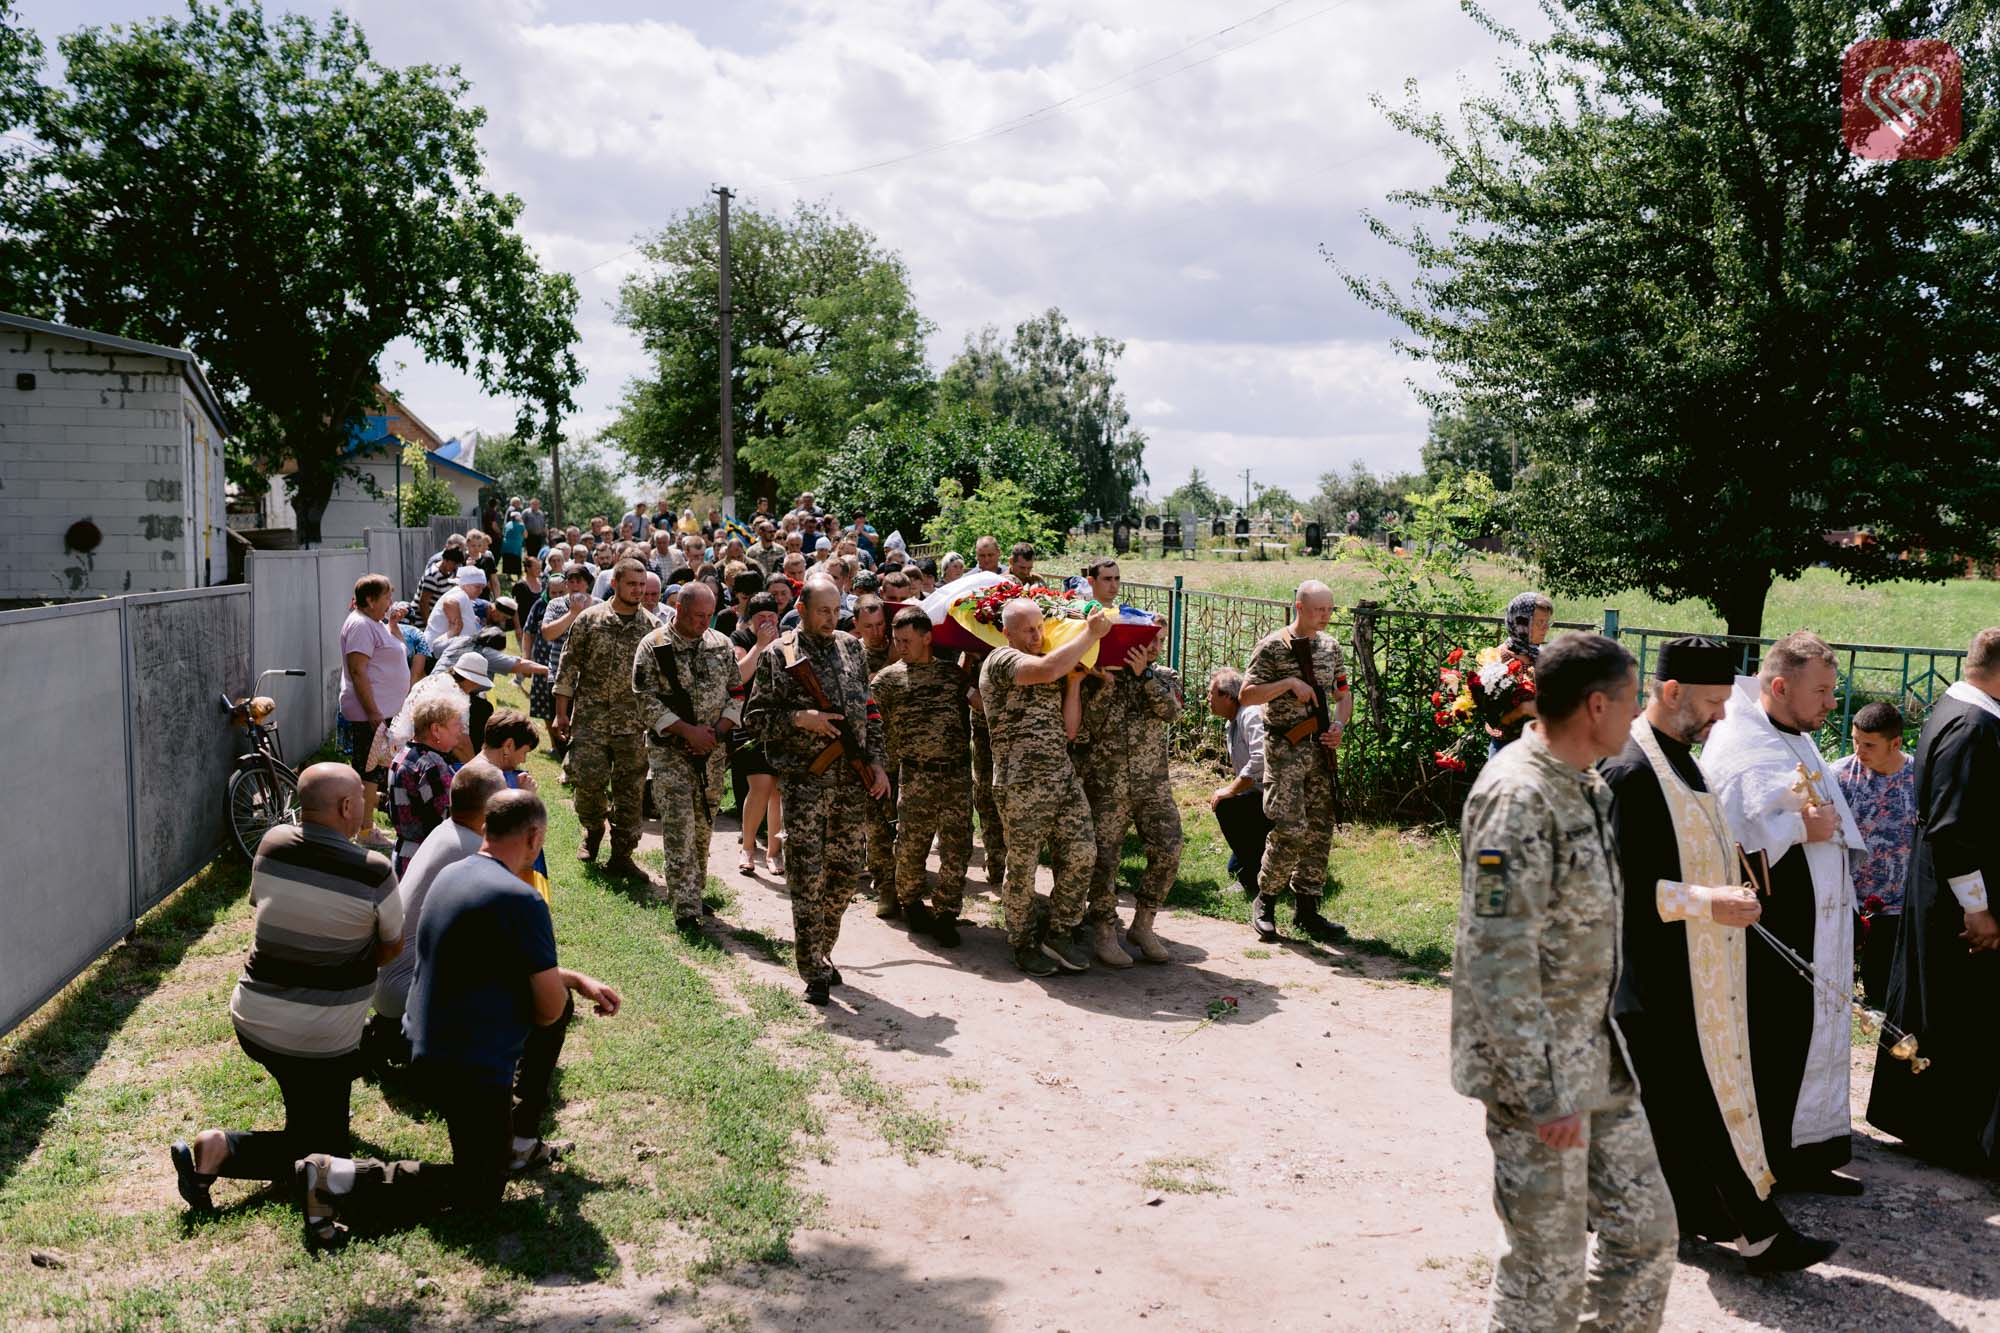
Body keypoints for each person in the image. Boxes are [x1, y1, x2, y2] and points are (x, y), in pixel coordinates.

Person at [1450, 633, 1676, 1332]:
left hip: (1595, 1056)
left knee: (1646, 1234)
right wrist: (1541, 1091)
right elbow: (1494, 957)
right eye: (1633, 699)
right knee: (1544, 1275)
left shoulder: (1585, 783)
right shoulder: (1518, 797)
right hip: (1536, 1076)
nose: (1638, 714)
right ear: (1597, 705)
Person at [1601, 636, 1837, 1272]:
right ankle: (1758, 1230)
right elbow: (1613, 884)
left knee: (1673, 1105)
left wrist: (1737, 885)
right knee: (1698, 1099)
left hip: (1696, 965)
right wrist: (1707, 902)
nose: (1722, 715)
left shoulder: (1684, 757)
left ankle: (1672, 1212)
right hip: (1649, 974)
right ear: (1671, 693)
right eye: (1710, 702)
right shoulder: (1628, 768)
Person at [294, 792, 622, 1239]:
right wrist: (558, 990)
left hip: (420, 1047)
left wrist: (573, 977)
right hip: (467, 1070)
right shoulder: (521, 900)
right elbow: (547, 1010)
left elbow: (484, 963)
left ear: (486, 827)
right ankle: (337, 1179)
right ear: (534, 836)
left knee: (556, 994)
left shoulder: (451, 874)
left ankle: (517, 1141)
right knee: (481, 1188)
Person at [168, 765, 402, 1218]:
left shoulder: (272, 844)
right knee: (326, 1155)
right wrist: (348, 960)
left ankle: (252, 1139)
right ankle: (220, 1149)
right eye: (362, 799)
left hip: (254, 1020)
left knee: (310, 1108)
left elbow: (265, 907)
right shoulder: (374, 871)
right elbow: (392, 946)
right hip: (320, 1040)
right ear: (347, 807)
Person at [1701, 632, 1863, 1193]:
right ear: (1778, 686)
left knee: (1811, 1031)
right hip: (1774, 922)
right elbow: (1724, 834)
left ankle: (1808, 1153)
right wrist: (1798, 827)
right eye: (1820, 691)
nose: (1829, 703)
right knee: (1774, 1036)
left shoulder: (1795, 735)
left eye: (1831, 690)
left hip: (1819, 915)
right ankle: (1765, 1161)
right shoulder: (1737, 741)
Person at [1866, 628, 2000, 1172]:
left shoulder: (1955, 707)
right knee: (1957, 1009)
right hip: (1957, 895)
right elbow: (1953, 827)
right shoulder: (1973, 726)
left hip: (1935, 885)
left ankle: (1922, 1123)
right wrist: (1978, 906)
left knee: (1933, 1002)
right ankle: (1950, 1136)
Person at [744, 575, 890, 1005]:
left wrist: (877, 763)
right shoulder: (779, 654)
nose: (830, 618)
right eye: (821, 611)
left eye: (834, 610)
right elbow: (755, 718)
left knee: (844, 876)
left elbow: (870, 711)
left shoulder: (851, 649)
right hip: (807, 781)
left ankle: (823, 950)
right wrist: (799, 718)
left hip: (851, 781)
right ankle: (813, 970)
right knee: (808, 877)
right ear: (803, 610)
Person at [982, 597, 1113, 976]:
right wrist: (1089, 633)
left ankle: (1060, 932)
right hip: (1021, 783)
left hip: (1061, 776)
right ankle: (1022, 942)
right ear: (1007, 633)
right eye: (1028, 629)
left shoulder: (1053, 664)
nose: (1038, 635)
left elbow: (1070, 730)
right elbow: (1043, 670)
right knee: (1022, 868)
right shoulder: (1002, 661)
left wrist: (1073, 684)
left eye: (1040, 627)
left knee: (1083, 853)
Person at [364, 762, 507, 1072]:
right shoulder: (473, 852)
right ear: (491, 810)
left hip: (385, 986)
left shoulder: (446, 831)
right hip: (405, 992)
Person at [1239, 580, 1352, 943]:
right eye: (1320, 610)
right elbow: (1247, 695)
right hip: (1285, 748)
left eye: (1330, 610)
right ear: (1300, 607)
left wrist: (1339, 725)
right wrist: (1287, 682)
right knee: (1290, 826)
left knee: (1320, 828)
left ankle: (1307, 908)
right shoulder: (1272, 647)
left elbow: (1343, 695)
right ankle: (1266, 900)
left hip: (1320, 749)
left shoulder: (1331, 647)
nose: (1326, 616)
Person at [634, 581, 741, 928]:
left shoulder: (721, 645)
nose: (704, 623)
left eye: (709, 615)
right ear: (678, 609)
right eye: (698, 616)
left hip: (712, 752)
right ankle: (685, 908)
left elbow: (736, 692)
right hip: (671, 753)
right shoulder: (654, 647)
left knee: (703, 825)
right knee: (679, 825)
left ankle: (695, 891)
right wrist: (687, 731)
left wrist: (718, 732)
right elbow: (644, 698)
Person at [870, 607, 973, 947]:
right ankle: (911, 902)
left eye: (908, 640)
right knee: (912, 846)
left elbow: (977, 707)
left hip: (956, 774)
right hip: (915, 774)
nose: (901, 646)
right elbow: (871, 723)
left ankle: (946, 913)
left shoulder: (952, 676)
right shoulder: (887, 680)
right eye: (897, 640)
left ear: (928, 637)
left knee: (957, 847)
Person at [1077, 632, 1183, 966]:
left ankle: (1143, 923)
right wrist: (1107, 683)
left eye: (1159, 641)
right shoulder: (1102, 675)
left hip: (1153, 786)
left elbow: (1172, 712)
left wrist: (1146, 676)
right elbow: (1088, 725)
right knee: (1105, 861)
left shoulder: (1165, 676)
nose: (1153, 647)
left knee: (1169, 848)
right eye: (1147, 641)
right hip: (1108, 787)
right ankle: (1105, 931)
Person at [552, 558, 661, 878]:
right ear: (615, 584)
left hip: (633, 726)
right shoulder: (589, 620)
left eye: (642, 586)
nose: (638, 591)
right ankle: (593, 828)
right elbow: (568, 668)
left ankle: (622, 854)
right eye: (632, 584)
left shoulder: (652, 628)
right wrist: (561, 714)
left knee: (631, 792)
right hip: (590, 720)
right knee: (586, 783)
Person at [1833, 701, 1917, 1006]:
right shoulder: (1839, 776)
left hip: (1897, 909)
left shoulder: (1919, 779)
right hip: (1846, 904)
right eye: (1855, 740)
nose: (1858, 750)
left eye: (1869, 744)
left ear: (1895, 743)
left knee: (1885, 999)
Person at [339, 573, 409, 850]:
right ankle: (364, 831)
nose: (391, 602)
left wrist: (392, 624)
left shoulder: (374, 622)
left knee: (374, 772)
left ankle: (365, 825)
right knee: (368, 774)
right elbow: (358, 670)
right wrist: (373, 712)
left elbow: (392, 652)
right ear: (369, 600)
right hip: (371, 713)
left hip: (382, 711)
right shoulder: (359, 625)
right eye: (386, 597)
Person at [730, 592, 785, 876]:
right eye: (761, 618)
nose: (767, 622)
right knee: (760, 786)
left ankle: (775, 851)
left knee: (777, 790)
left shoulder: (787, 639)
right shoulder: (739, 640)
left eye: (771, 617)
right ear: (750, 620)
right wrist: (761, 645)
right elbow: (739, 675)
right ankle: (749, 847)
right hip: (749, 723)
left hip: (780, 723)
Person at [1206, 668, 1272, 900]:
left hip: (1271, 799)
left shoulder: (1250, 715)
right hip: (1256, 795)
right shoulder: (1233, 721)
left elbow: (1260, 760)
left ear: (1227, 697)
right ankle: (1261, 862)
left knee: (1225, 804)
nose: (1208, 699)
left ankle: (1254, 880)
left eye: (1211, 693)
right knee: (1234, 867)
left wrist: (1230, 790)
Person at [389, 691, 467, 874]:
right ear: (436, 730)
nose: (461, 729)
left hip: (403, 856)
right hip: (426, 860)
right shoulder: (431, 765)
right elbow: (448, 817)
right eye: (456, 724)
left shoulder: (404, 754)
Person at [1491, 591, 1553, 750]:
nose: (1545, 628)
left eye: (1547, 622)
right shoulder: (1498, 660)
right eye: (1540, 622)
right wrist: (1522, 710)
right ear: (1521, 623)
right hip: (1505, 749)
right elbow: (1492, 718)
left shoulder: (1543, 657)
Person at [427, 564, 484, 642]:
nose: (480, 591)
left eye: (482, 588)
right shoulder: (460, 593)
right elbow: (450, 602)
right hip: (436, 649)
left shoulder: (464, 596)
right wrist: (456, 627)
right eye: (477, 587)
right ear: (465, 585)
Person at [415, 540, 465, 626]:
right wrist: (429, 624)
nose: (455, 567)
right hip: (423, 621)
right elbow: (423, 602)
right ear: (445, 560)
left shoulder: (450, 572)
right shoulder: (432, 575)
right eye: (453, 564)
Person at [500, 509, 526, 578]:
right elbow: (525, 535)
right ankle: (519, 577)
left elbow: (504, 533)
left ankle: (508, 576)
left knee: (507, 560)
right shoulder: (521, 525)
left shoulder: (507, 524)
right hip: (516, 546)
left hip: (506, 545)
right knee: (517, 561)